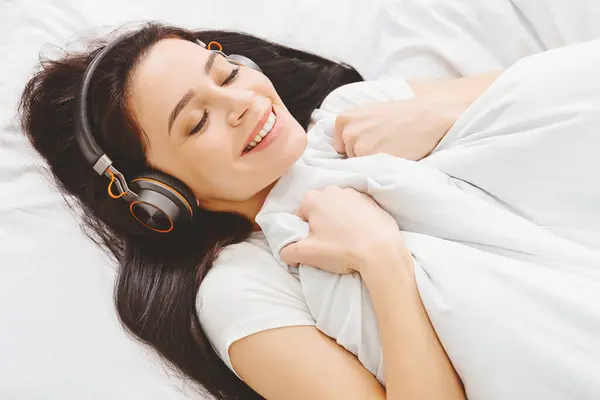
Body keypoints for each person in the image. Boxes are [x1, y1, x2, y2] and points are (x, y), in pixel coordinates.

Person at [19, 22, 507, 399]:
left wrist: (437, 112)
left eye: (229, 73)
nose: (241, 102)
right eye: (197, 121)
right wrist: (382, 260)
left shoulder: (354, 109)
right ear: (158, 195)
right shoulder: (241, 290)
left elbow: (569, 90)